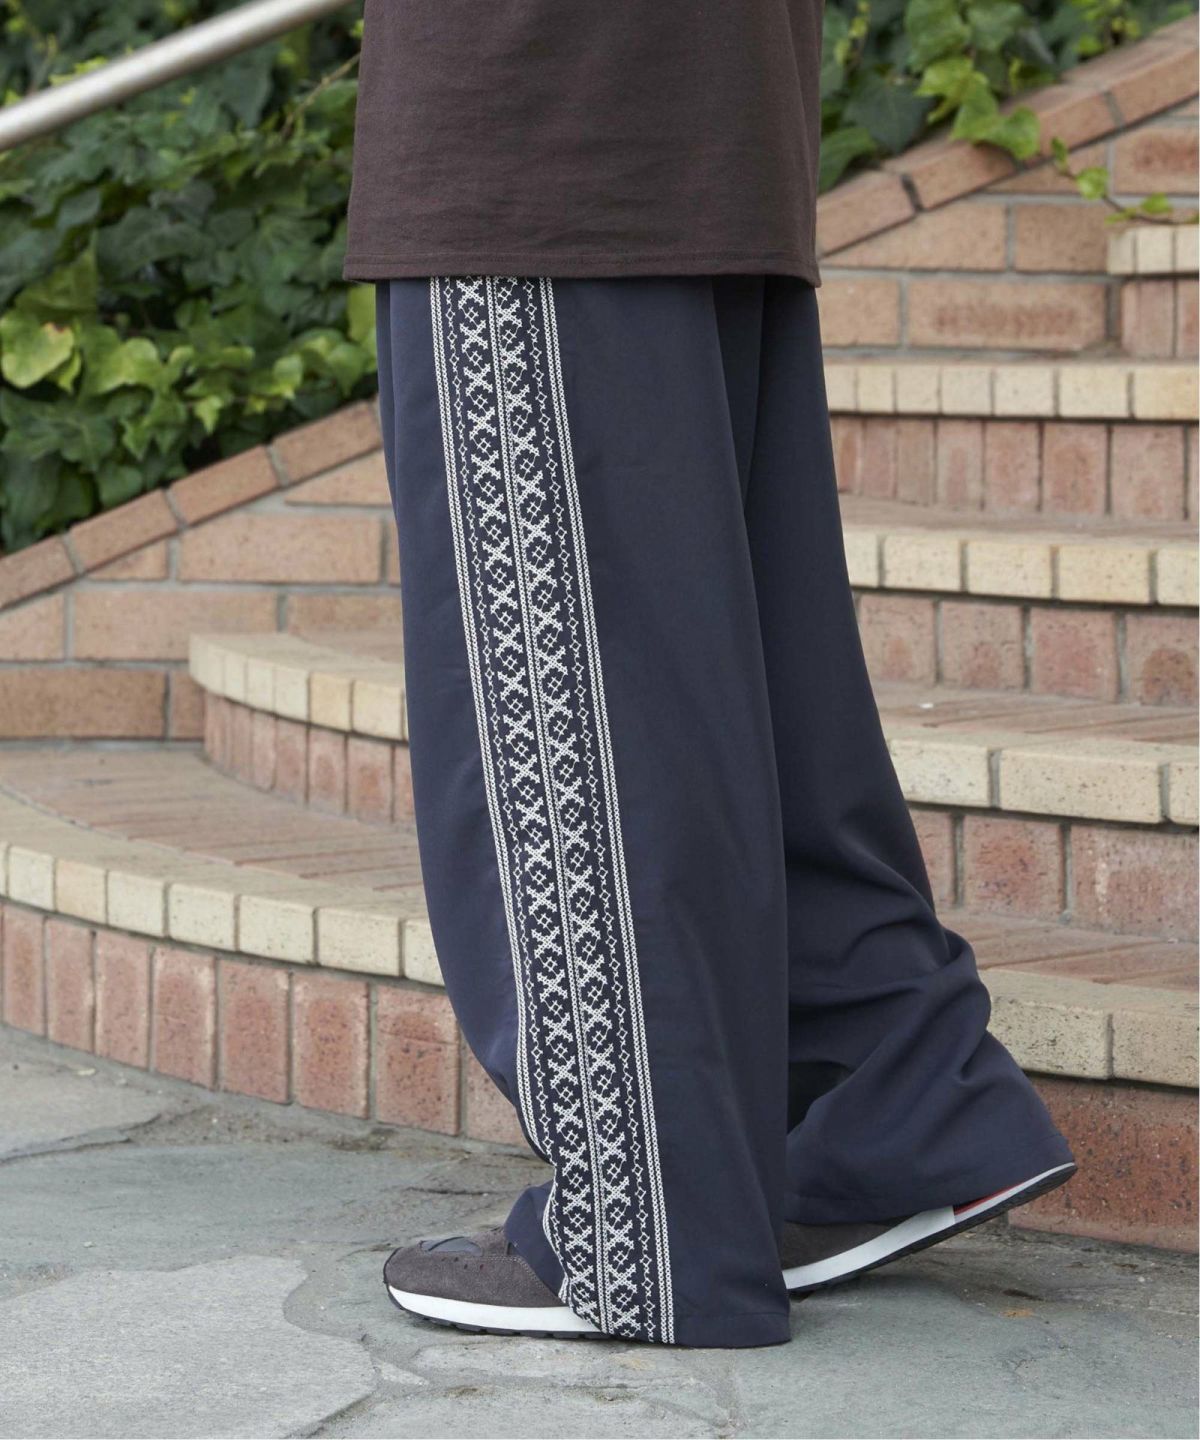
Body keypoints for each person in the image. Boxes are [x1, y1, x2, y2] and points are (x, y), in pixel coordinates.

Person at [344, 1, 1076, 1350]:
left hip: (542, 120)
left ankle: (652, 1228)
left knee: (586, 718)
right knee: (748, 692)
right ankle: (887, 1103)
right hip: (701, 115)